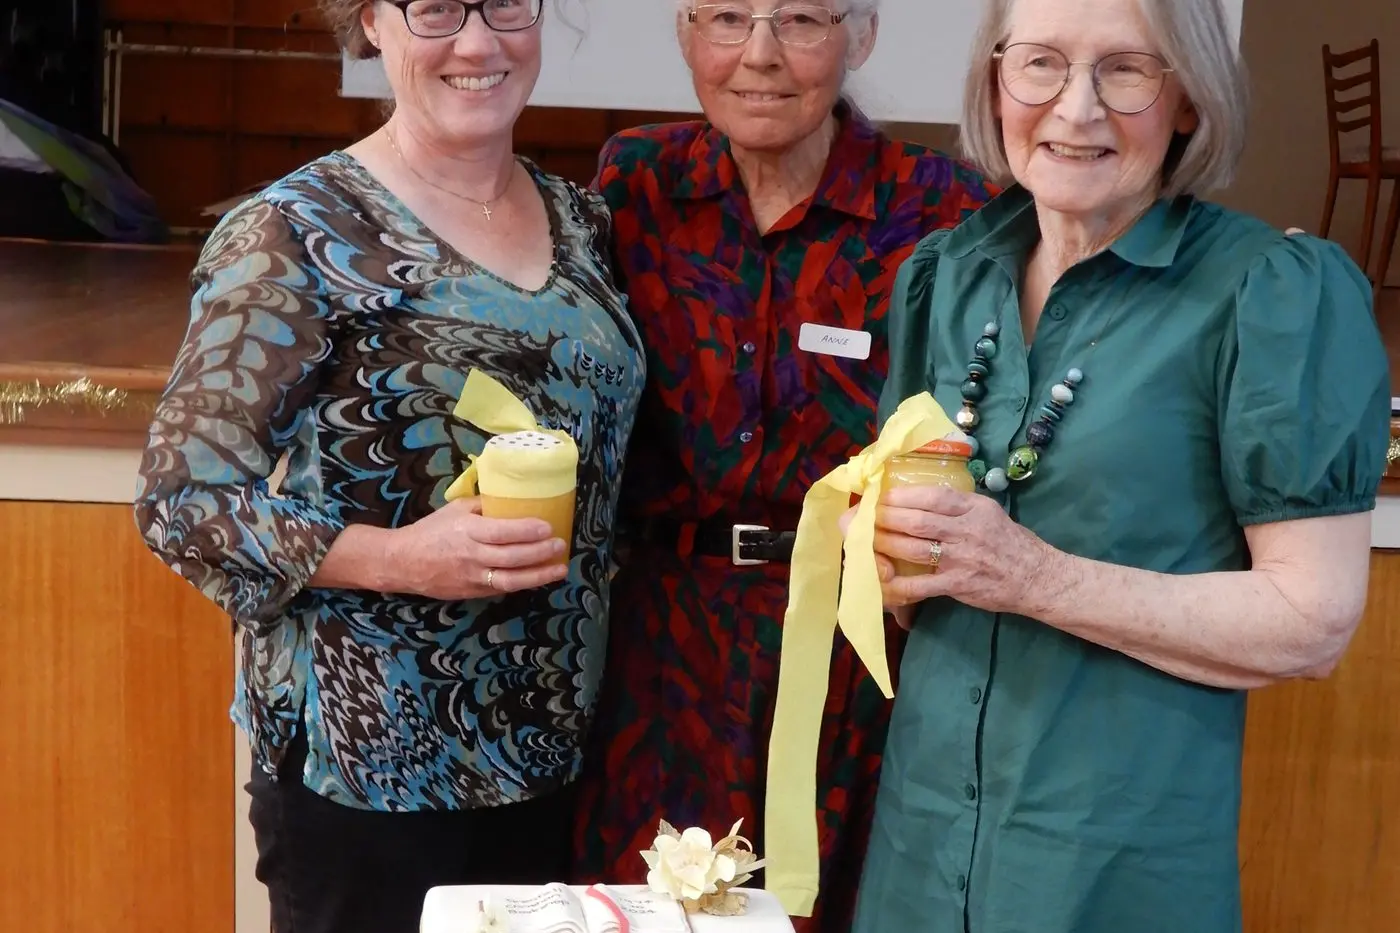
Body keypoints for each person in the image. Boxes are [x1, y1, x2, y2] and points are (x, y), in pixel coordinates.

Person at [848, 0, 1391, 930]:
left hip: (1111, 871)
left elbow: (1312, 622)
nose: (1076, 108)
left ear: (1189, 102)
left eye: (1128, 70)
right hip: (922, 848)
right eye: (1042, 63)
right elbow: (903, 579)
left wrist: (1033, 576)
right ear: (995, 78)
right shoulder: (947, 274)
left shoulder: (1271, 296)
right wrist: (884, 553)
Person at [132, 2, 644, 931]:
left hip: (555, 752)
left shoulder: (582, 222)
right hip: (368, 770)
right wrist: (401, 559)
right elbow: (182, 500)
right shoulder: (295, 230)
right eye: (437, 8)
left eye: (508, 5)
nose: (479, 41)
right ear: (372, 22)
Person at [568, 2, 994, 929]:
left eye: (801, 18)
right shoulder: (633, 184)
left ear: (861, 36)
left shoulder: (942, 210)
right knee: (655, 908)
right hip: (663, 647)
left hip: (856, 648)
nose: (760, 55)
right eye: (727, 17)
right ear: (686, 35)